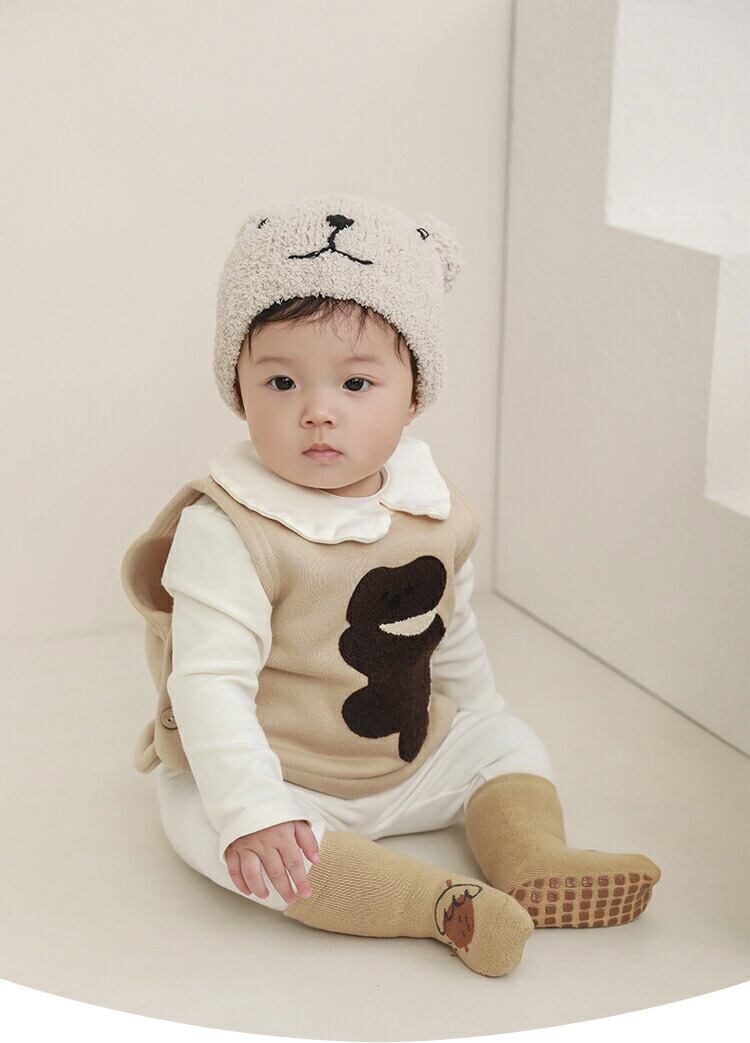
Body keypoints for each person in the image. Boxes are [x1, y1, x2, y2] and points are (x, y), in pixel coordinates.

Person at [121, 195, 661, 979]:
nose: (317, 412)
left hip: (409, 756)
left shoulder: (432, 505)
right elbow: (208, 682)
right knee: (216, 830)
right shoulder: (231, 527)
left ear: (414, 392)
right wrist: (253, 809)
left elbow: (451, 628)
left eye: (356, 382)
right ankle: (442, 906)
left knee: (510, 744)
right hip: (285, 773)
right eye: (281, 381)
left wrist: (480, 716)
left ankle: (533, 857)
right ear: (238, 385)